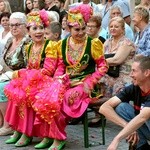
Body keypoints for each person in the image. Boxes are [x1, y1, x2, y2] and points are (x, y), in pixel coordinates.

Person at [31, 4, 108, 150]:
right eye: (76, 30)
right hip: (66, 81)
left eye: (83, 29)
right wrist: (59, 78)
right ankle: (48, 136)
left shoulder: (93, 43)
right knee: (47, 98)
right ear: (69, 29)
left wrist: (90, 81)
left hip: (85, 84)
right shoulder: (62, 44)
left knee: (63, 100)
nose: (80, 33)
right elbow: (60, 65)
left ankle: (58, 138)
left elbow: (103, 66)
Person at [4, 10, 57, 147]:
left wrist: (26, 75)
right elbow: (28, 67)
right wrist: (24, 74)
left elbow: (48, 70)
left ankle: (39, 134)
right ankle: (20, 130)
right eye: (34, 28)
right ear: (29, 32)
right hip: (32, 80)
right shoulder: (29, 47)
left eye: (41, 28)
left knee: (26, 94)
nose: (38, 31)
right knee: (16, 93)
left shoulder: (50, 46)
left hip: (48, 81)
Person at [90, 16, 136, 127]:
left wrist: (100, 61)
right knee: (94, 81)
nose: (113, 29)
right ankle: (99, 114)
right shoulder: (107, 42)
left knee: (111, 83)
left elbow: (117, 60)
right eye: (111, 26)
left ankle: (112, 109)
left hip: (124, 75)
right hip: (109, 73)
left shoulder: (126, 43)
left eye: (116, 26)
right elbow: (97, 56)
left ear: (123, 29)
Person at [100, 55, 150, 150]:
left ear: (147, 73)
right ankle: (142, 146)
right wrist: (127, 126)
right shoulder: (134, 87)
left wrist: (116, 139)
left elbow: (142, 117)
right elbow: (104, 108)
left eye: (134, 71)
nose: (130, 74)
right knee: (121, 107)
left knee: (144, 115)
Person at [0, 12, 30, 136]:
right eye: (12, 25)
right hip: (6, 73)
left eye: (17, 25)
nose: (13, 28)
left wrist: (10, 74)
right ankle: (1, 121)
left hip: (22, 76)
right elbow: (3, 59)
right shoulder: (9, 41)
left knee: (2, 87)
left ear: (25, 26)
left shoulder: (27, 42)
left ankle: (8, 125)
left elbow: (29, 66)